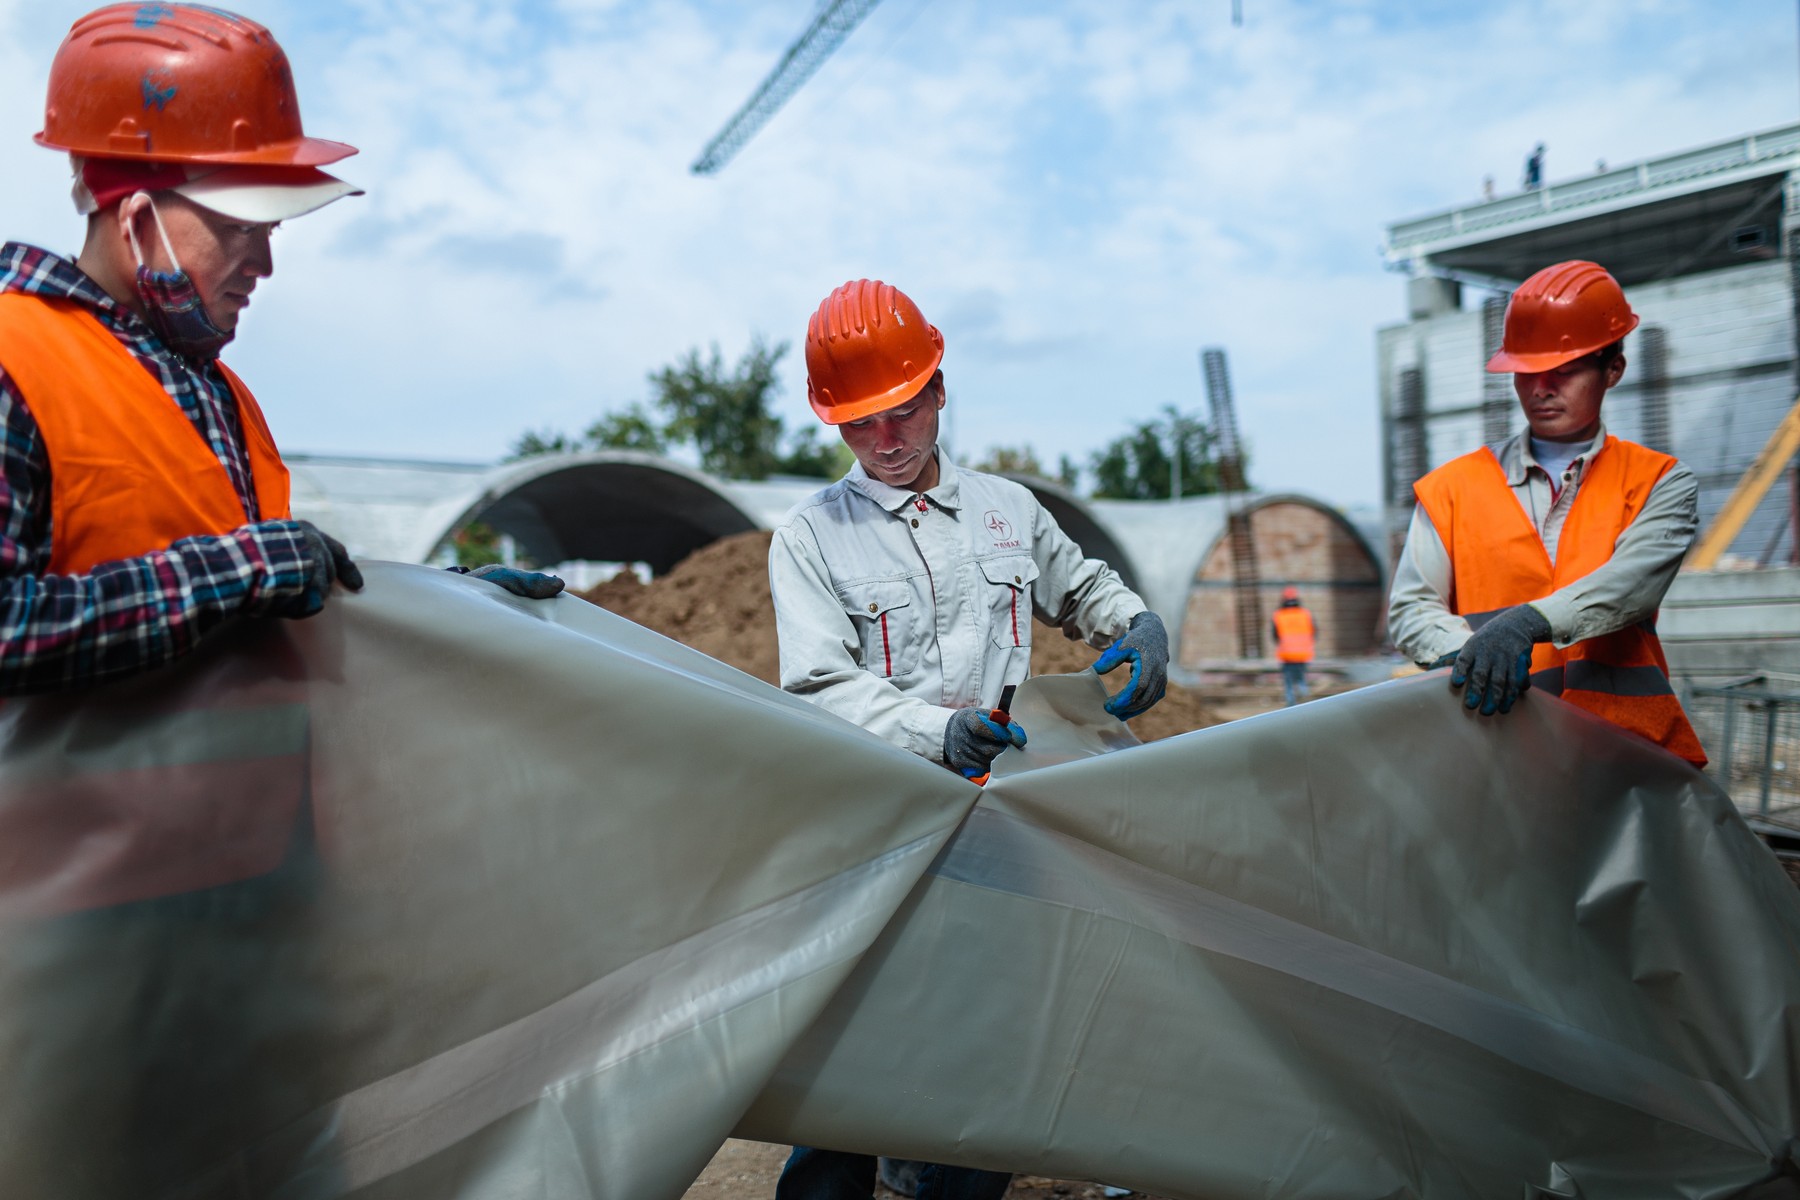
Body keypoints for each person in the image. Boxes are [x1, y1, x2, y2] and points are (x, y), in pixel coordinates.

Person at [0, 7, 557, 1193]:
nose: (267, 261)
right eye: (243, 226)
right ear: (132, 207)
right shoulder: (13, 360)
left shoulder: (220, 398)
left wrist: (442, 609)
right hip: (69, 973)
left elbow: (264, 617)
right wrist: (244, 569)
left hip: (246, 937)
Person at [767, 278, 1170, 1200]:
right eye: (861, 425)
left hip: (1001, 836)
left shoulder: (1007, 512)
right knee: (847, 1078)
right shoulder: (810, 540)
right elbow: (819, 687)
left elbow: (1081, 588)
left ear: (939, 390)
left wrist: (1136, 624)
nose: (888, 441)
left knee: (983, 1060)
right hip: (875, 833)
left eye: (903, 412)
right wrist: (936, 733)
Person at [1387, 259, 1706, 765]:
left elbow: (1630, 585)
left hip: (1624, 761)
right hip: (1494, 747)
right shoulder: (1450, 488)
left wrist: (1524, 624)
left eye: (1565, 369)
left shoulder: (1659, 482)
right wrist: (1466, 655)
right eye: (1528, 371)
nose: (1541, 388)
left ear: (1613, 370)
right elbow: (1411, 608)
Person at [1271, 585, 1315, 707]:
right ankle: (1306, 702)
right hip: (1303, 653)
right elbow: (1314, 632)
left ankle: (1291, 706)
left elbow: (1275, 636)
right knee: (1301, 679)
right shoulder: (1305, 614)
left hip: (1287, 654)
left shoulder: (1279, 615)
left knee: (1289, 683)